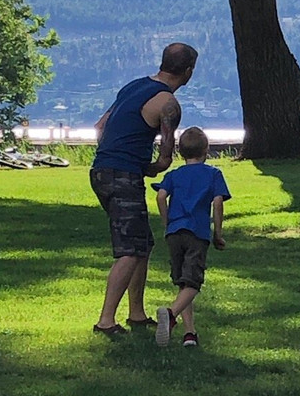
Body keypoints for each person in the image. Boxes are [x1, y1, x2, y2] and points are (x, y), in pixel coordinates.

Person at [90, 42, 196, 336]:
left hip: (101, 171)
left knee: (142, 244)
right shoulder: (169, 105)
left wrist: (114, 155)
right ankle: (106, 321)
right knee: (129, 251)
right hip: (123, 175)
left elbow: (100, 126)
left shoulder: (134, 86)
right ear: (188, 72)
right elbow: (164, 158)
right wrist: (147, 167)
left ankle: (136, 313)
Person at [153, 127, 230, 348]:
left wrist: (167, 223)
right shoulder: (213, 174)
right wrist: (218, 234)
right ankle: (171, 314)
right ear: (207, 150)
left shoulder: (173, 175)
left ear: (180, 152)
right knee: (194, 283)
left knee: (183, 282)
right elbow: (217, 202)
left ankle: (190, 334)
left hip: (174, 233)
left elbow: (160, 197)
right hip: (197, 232)